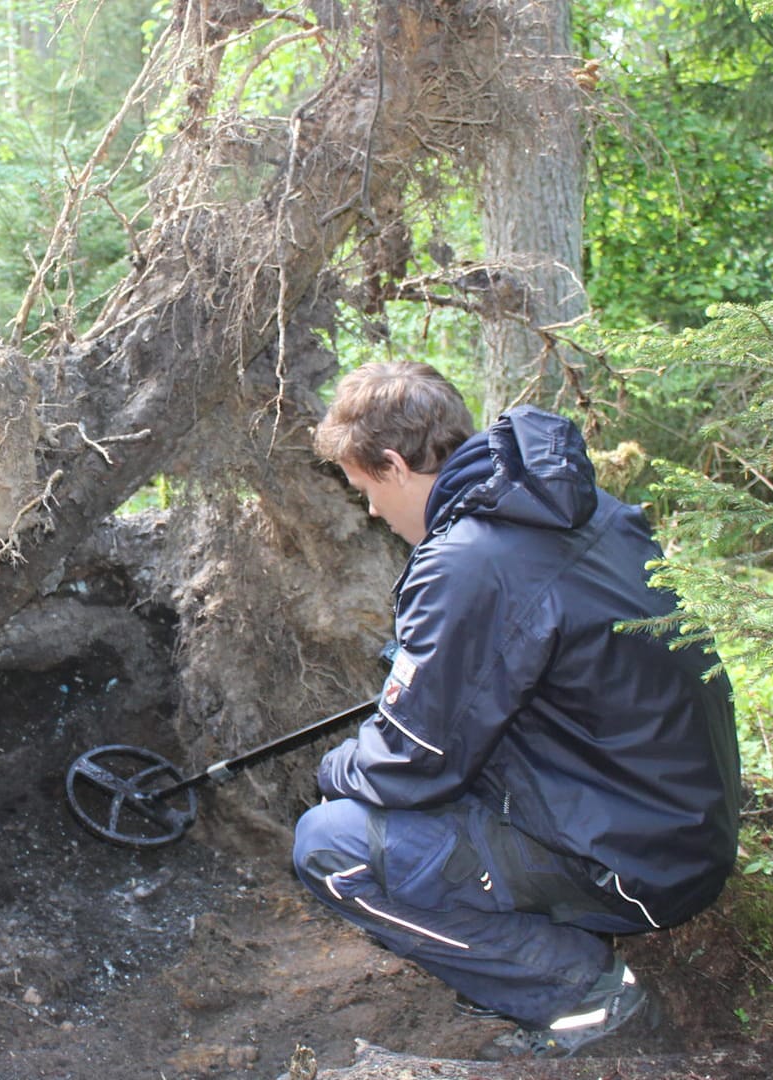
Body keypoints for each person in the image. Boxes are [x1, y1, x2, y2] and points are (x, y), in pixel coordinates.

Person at [292, 362, 739, 1059]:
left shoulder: (470, 562)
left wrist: (335, 767)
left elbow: (413, 763)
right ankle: (536, 938)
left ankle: (579, 992)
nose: (373, 512)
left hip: (628, 863)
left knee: (333, 844)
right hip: (674, 825)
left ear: (394, 465)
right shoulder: (578, 507)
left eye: (367, 492)